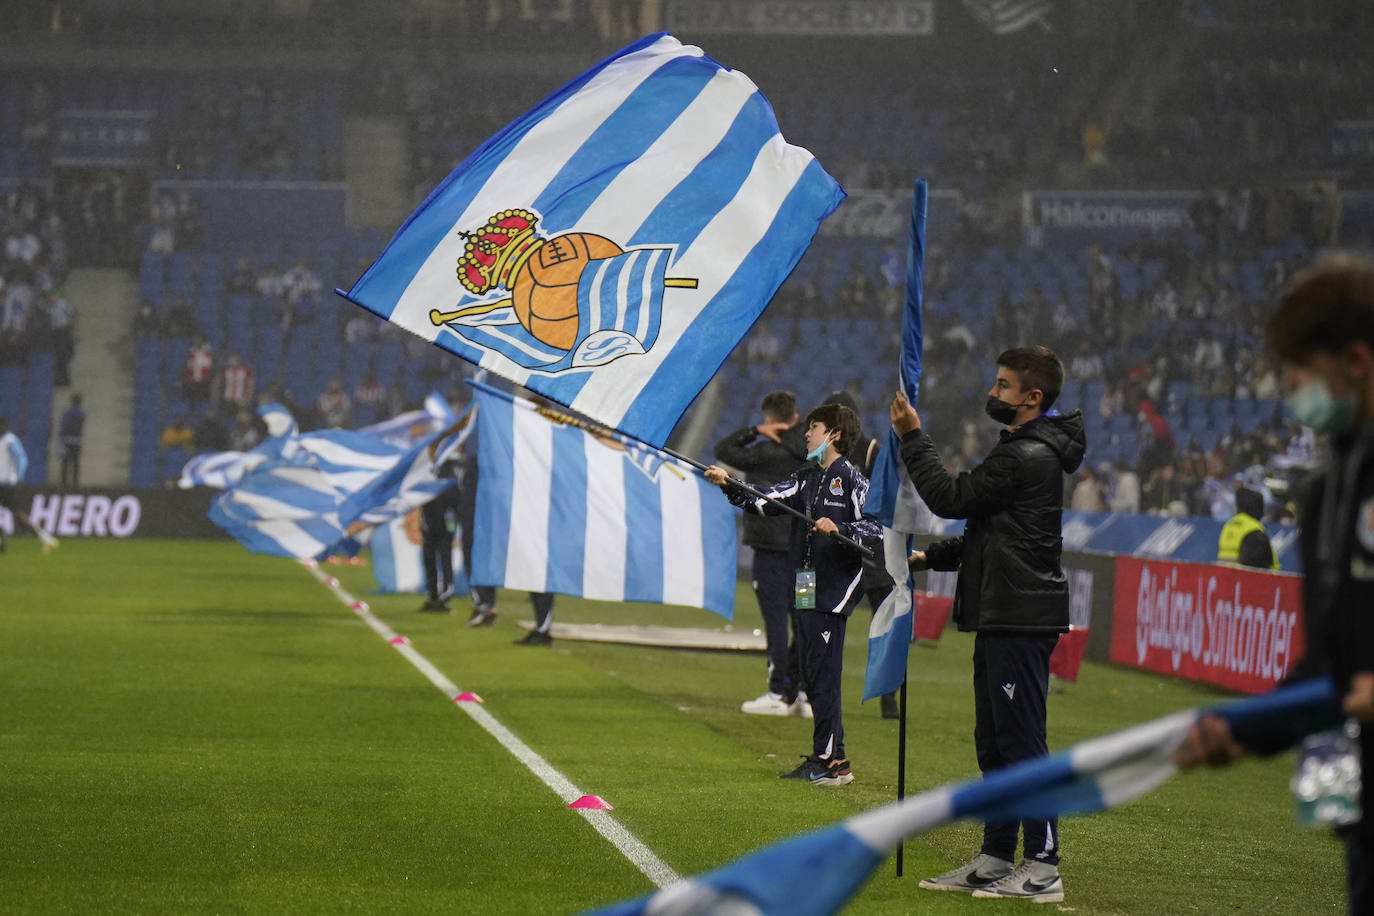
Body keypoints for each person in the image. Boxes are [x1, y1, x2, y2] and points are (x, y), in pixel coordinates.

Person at [1174, 254, 1374, 914]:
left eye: (1301, 369)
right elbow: (1332, 660)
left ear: (1357, 362)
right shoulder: (1325, 492)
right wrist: (1246, 729)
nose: (1288, 387)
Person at [892, 345, 1085, 903]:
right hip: (1005, 612)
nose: (993, 393)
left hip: (1020, 615)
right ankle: (999, 856)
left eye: (1003, 385)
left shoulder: (1029, 455)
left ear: (1033, 397)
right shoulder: (1024, 449)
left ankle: (1044, 867)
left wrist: (912, 436)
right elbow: (992, 529)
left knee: (1022, 741)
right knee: (996, 741)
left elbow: (953, 497)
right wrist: (934, 558)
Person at [705, 402, 883, 787]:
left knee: (822, 675)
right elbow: (766, 500)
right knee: (809, 670)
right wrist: (729, 485)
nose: (806, 434)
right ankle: (835, 760)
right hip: (805, 583)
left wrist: (840, 530)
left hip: (831, 590)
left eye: (814, 427)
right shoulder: (806, 475)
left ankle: (828, 762)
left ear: (833, 435)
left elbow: (876, 530)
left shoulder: (853, 480)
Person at [712, 389, 809, 717]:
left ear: (770, 418)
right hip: (806, 553)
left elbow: (722, 450)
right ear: (796, 417)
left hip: (770, 551)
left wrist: (755, 432)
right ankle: (806, 694)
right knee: (807, 619)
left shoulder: (764, 452)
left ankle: (778, 692)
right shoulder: (812, 452)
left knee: (776, 620)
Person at [822, 390, 901, 720]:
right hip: (829, 550)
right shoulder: (820, 455)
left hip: (871, 550)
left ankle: (887, 694)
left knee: (883, 622)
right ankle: (797, 686)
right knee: (809, 612)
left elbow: (887, 499)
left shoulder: (871, 450)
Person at [0, 416, 58, 553]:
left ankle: (45, 538)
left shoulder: (10, 440)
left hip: (7, 484)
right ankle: (2, 544)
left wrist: (18, 477)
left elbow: (22, 459)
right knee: (17, 515)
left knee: (17, 516)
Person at [418, 454, 462, 613]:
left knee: (445, 558)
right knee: (429, 558)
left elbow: (457, 495)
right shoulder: (428, 466)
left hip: (445, 519)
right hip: (430, 518)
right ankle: (432, 595)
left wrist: (455, 518)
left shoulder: (454, 467)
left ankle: (445, 597)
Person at [1217, 486, 1277, 569]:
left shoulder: (1229, 525)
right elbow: (1257, 566)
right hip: (1249, 579)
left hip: (1227, 577)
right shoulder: (1253, 529)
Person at [57, 392, 84, 488]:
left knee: (65, 463)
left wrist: (61, 439)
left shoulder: (67, 412)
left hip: (67, 440)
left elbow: (63, 426)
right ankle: (75, 484)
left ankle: (63, 483)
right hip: (77, 441)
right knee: (75, 463)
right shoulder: (81, 413)